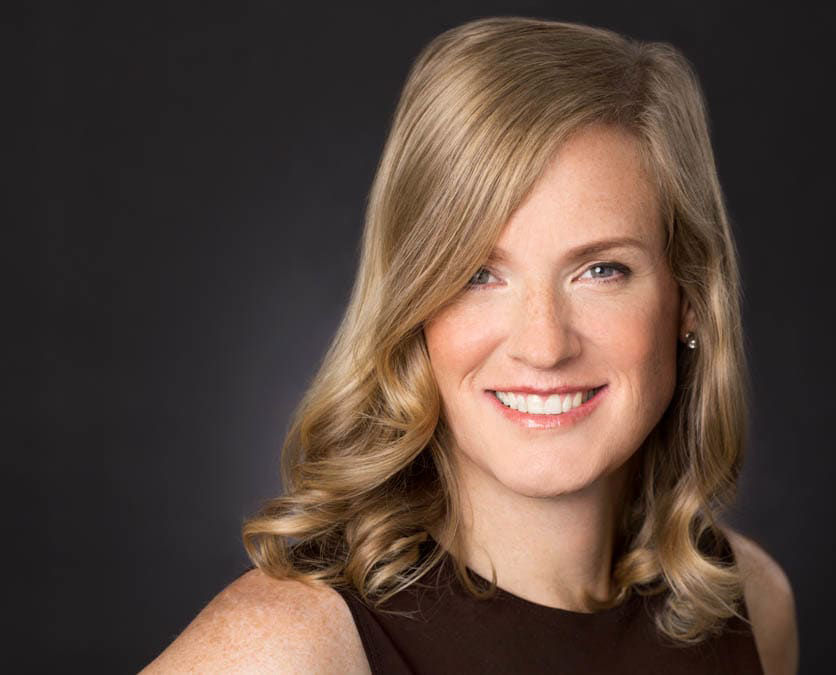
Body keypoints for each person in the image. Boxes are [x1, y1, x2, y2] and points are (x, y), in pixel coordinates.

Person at [143, 15, 798, 675]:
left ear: (689, 297)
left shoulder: (752, 604)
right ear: (414, 303)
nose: (544, 345)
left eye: (601, 270)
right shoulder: (288, 648)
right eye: (478, 275)